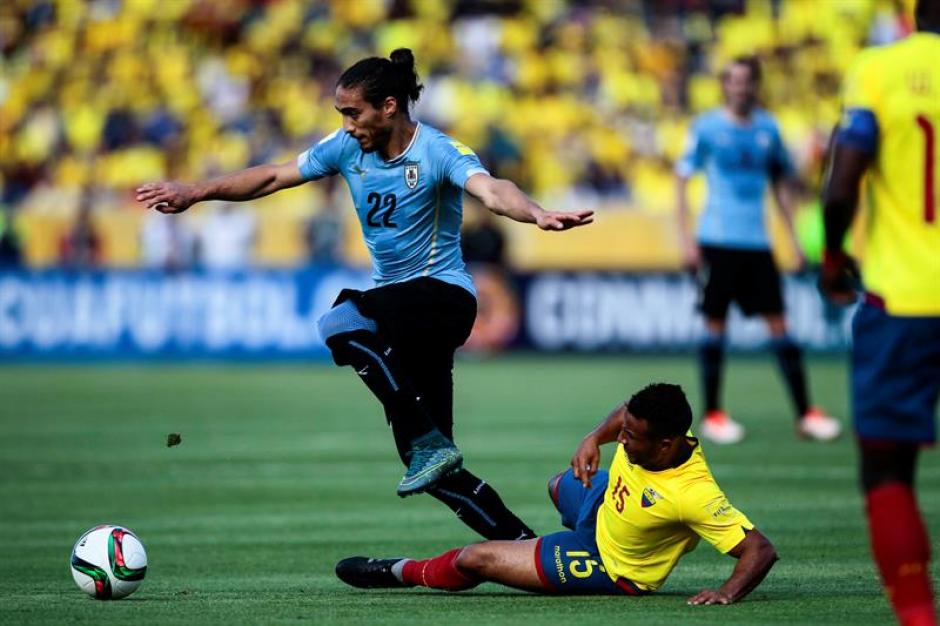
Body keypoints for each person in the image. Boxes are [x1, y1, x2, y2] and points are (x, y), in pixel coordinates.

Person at [135, 48, 593, 541]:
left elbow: (492, 189)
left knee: (340, 322)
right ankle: (525, 548)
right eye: (342, 115)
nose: (348, 125)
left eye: (354, 113)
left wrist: (537, 213)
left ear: (390, 106)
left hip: (443, 297)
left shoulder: (436, 150)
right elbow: (271, 176)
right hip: (402, 310)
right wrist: (196, 192)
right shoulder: (346, 148)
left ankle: (425, 439)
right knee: (437, 472)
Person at [335, 383, 778, 604]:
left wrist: (727, 593)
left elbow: (760, 550)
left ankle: (398, 570)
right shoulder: (648, 430)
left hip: (610, 563)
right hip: (603, 505)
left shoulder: (693, 494)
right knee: (556, 483)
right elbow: (625, 412)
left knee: (476, 559)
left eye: (630, 438)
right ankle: (534, 553)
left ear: (666, 444)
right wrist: (592, 437)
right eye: (621, 433)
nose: (620, 440)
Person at [820, 2, 939, 624]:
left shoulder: (880, 69)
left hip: (904, 301)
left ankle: (919, 617)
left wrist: (834, 253)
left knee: (888, 470)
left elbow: (843, 183)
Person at [675, 56, 840, 445]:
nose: (739, 88)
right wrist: (686, 239)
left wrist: (794, 240)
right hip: (717, 239)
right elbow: (680, 180)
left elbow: (782, 186)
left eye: (746, 81)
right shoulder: (707, 128)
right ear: (723, 85)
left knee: (780, 326)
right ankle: (714, 413)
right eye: (732, 81)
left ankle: (805, 414)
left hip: (758, 242)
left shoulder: (769, 128)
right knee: (715, 326)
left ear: (755, 85)